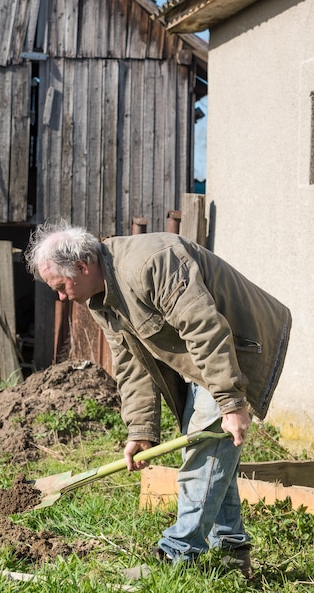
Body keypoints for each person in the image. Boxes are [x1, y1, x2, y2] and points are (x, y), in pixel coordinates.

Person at [24, 220, 291, 578]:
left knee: (203, 449)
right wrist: (140, 429)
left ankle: (179, 553)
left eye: (60, 286)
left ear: (82, 267)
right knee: (211, 452)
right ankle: (232, 554)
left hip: (240, 345)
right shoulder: (99, 298)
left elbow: (206, 329)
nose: (60, 296)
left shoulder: (150, 264)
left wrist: (230, 402)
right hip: (204, 359)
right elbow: (130, 362)